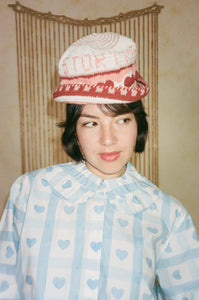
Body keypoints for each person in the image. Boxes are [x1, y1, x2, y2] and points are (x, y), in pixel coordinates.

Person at [0, 32, 199, 300]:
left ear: (138, 123)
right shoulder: (29, 191)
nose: (108, 139)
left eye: (122, 120)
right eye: (91, 123)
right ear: (75, 131)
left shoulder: (168, 214)